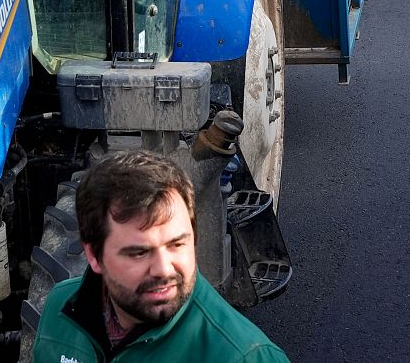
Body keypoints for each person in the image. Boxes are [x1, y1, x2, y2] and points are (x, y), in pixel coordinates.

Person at [31, 150, 290, 363]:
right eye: (139, 252)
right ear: (94, 255)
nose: (164, 270)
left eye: (177, 244)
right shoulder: (59, 309)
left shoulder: (245, 357)